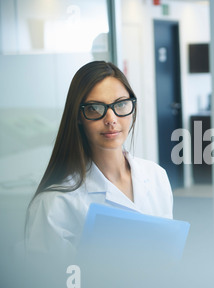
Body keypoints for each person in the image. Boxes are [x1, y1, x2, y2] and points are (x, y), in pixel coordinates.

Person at [25, 61, 173, 260]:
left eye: (120, 104)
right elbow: (49, 283)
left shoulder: (156, 176)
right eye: (95, 108)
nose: (111, 119)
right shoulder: (55, 202)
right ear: (78, 116)